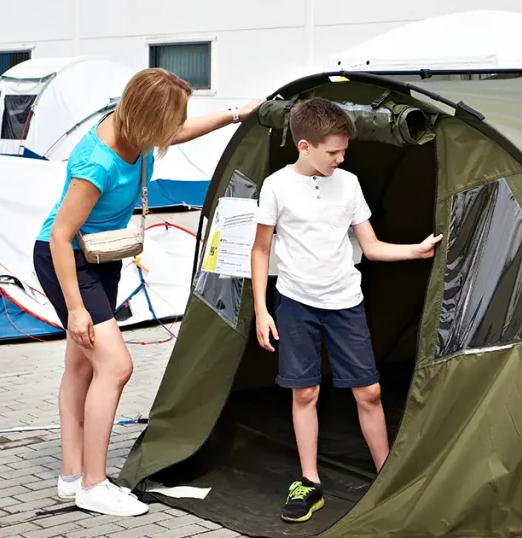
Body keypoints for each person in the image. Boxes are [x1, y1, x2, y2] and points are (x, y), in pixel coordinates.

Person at [33, 67, 259, 517]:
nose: (174, 127)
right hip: (70, 260)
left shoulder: (138, 131)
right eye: (170, 118)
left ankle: (72, 475)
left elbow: (183, 131)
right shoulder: (97, 162)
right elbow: (60, 236)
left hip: (103, 256)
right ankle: (95, 486)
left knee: (81, 365)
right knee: (116, 367)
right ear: (148, 116)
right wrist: (76, 308)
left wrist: (237, 114)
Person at [250, 97, 442, 523]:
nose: (341, 158)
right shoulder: (276, 186)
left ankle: (386, 475)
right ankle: (309, 481)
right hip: (296, 303)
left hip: (345, 303)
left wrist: (417, 250)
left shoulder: (349, 183)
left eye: (343, 151)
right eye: (333, 151)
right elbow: (261, 249)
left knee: (369, 391)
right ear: (304, 146)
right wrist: (262, 310)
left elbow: (370, 248)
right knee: (306, 392)